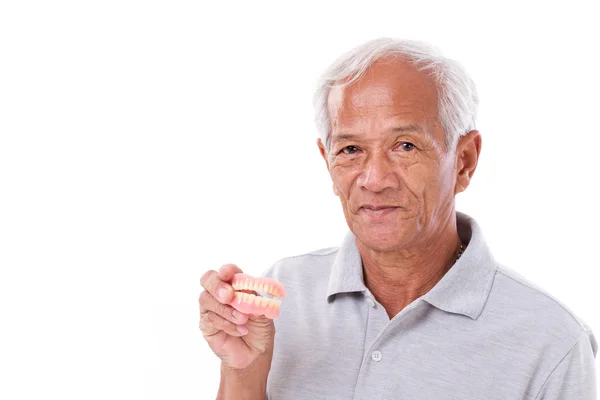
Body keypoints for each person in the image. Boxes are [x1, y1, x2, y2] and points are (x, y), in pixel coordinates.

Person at [198, 38, 598, 399]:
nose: (374, 180)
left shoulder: (553, 343)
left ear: (464, 161)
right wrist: (243, 374)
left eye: (405, 146)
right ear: (327, 162)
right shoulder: (283, 295)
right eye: (351, 149)